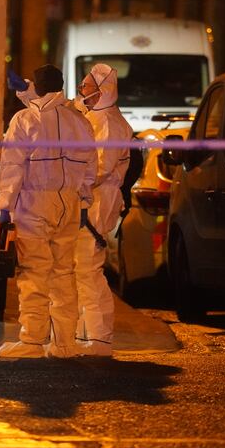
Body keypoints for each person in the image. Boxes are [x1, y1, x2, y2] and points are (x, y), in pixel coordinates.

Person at [0, 64, 97, 359]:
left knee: (34, 273)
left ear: (36, 87)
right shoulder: (80, 121)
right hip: (69, 203)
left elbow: (13, 165)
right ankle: (65, 343)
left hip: (34, 202)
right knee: (64, 273)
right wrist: (84, 201)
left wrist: (5, 205)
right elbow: (91, 166)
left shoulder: (24, 120)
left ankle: (32, 342)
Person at [72, 63, 134, 357]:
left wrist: (69, 179)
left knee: (88, 268)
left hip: (96, 203)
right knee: (81, 269)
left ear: (100, 90)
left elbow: (100, 168)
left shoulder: (109, 123)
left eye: (85, 86)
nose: (80, 91)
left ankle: (99, 337)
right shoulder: (94, 116)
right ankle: (88, 334)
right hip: (89, 200)